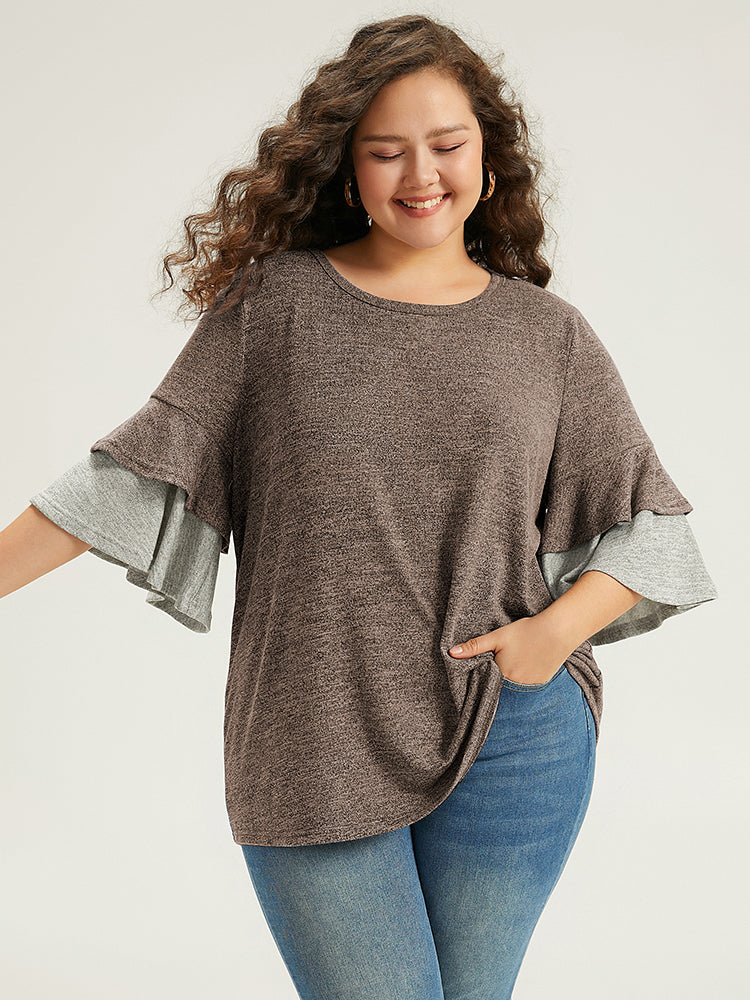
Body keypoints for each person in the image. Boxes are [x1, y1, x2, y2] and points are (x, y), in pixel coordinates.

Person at [0, 13, 718, 1000]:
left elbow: (652, 528)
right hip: (312, 737)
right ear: (349, 170)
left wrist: (551, 636)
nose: (420, 174)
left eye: (446, 145)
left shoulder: (547, 335)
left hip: (512, 734)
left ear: (489, 163)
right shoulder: (275, 308)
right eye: (386, 151)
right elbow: (129, 475)